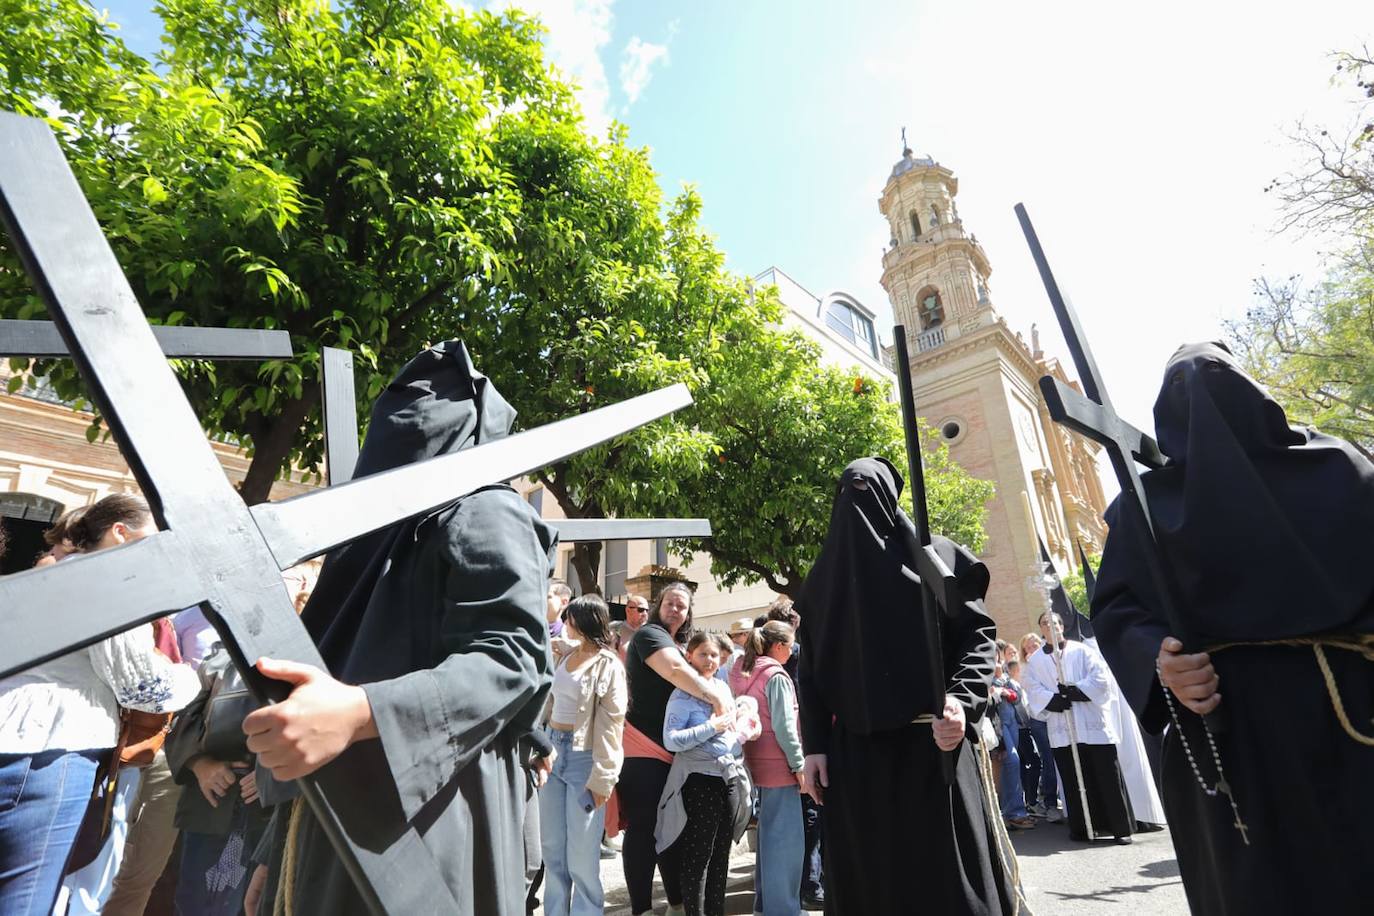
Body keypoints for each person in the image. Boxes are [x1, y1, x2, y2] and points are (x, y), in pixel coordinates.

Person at [242, 341, 557, 915]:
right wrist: (275, 847)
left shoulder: (487, 508)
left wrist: (364, 712)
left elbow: (512, 659)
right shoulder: (371, 537)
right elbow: (334, 672)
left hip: (434, 817)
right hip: (327, 820)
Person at [1091, 341, 1374, 914]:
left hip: (1348, 719)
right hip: (1222, 733)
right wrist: (1161, 660)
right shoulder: (1142, 507)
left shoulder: (1343, 468)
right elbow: (1120, 610)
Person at [796, 458, 1021, 915]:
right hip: (856, 761)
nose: (856, 501)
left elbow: (977, 636)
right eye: (848, 492)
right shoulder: (822, 581)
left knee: (947, 883)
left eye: (867, 491)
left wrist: (961, 701)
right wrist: (814, 747)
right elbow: (812, 672)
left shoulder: (936, 560)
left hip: (933, 743)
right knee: (874, 885)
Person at [0, 494, 201, 916]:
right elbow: (141, 687)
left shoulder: (47, 574)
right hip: (50, 751)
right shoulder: (106, 585)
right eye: (156, 537)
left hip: (19, 735)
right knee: (24, 900)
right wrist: (191, 678)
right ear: (120, 533)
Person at [620, 583, 731, 916]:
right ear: (658, 604)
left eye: (682, 606)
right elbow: (676, 670)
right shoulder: (649, 635)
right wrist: (716, 699)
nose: (675, 609)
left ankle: (677, 904)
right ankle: (641, 909)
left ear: (688, 612)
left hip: (680, 752)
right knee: (644, 827)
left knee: (674, 828)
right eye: (670, 603)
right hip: (644, 747)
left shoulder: (683, 644)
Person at [537, 594, 628, 916]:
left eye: (570, 616)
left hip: (584, 758)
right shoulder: (565, 653)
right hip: (552, 750)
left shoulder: (608, 666)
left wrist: (604, 777)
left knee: (582, 855)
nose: (565, 621)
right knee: (552, 849)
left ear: (585, 620)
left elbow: (612, 725)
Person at [656, 633, 754, 916]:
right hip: (699, 781)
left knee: (721, 856)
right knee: (699, 856)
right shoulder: (681, 694)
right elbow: (671, 740)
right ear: (689, 656)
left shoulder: (722, 687)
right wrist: (712, 727)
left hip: (728, 778)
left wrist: (744, 727)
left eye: (713, 655)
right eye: (703, 654)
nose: (710, 660)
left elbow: (731, 729)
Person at [1022, 612, 1133, 845]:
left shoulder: (1082, 651)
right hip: (1062, 729)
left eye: (1054, 622)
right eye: (1045, 623)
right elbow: (1032, 689)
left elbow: (1101, 679)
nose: (1050, 626)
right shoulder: (1035, 662)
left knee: (1107, 776)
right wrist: (1054, 700)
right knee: (1073, 781)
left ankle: (1119, 828)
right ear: (1041, 629)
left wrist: (1075, 691)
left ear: (1062, 626)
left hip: (1092, 725)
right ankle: (1082, 829)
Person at [729, 621, 806, 916]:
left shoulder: (742, 670)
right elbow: (785, 727)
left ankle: (765, 906)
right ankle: (783, 910)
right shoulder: (776, 676)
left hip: (752, 763)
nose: (792, 651)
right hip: (779, 767)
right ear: (778, 646)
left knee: (767, 842)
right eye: (790, 645)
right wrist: (798, 764)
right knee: (785, 845)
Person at [1017, 634, 1061, 821]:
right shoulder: (1026, 668)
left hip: (1059, 715)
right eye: (1028, 647)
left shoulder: (1051, 659)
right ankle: (1050, 804)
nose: (1032, 649)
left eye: (1035, 645)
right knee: (1049, 760)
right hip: (1040, 719)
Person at [991, 654, 1035, 831]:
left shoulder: (1006, 677)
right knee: (1012, 761)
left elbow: (1016, 698)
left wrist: (1005, 690)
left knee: (1010, 766)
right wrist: (999, 689)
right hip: (999, 725)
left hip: (1012, 724)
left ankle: (1011, 812)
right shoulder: (987, 676)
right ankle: (1014, 812)